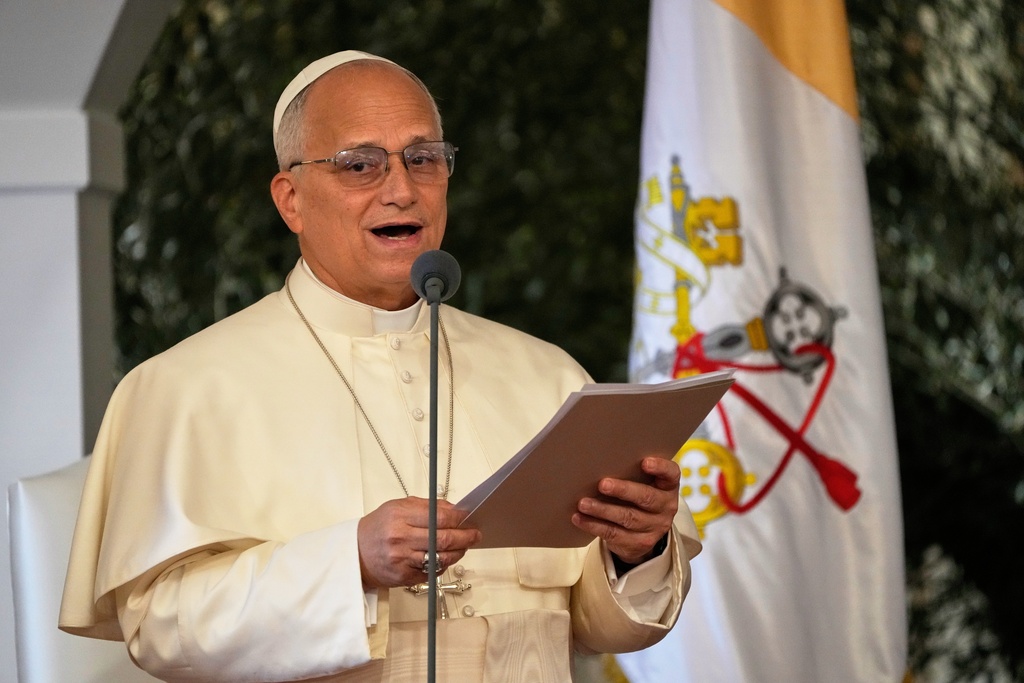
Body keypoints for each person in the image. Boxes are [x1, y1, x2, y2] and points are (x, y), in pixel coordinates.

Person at [59, 50, 702, 682]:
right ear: (291, 200)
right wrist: (349, 562)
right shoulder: (186, 386)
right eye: (359, 164)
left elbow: (593, 629)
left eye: (423, 159)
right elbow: (161, 630)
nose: (401, 189)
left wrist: (635, 550)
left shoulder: (546, 375)